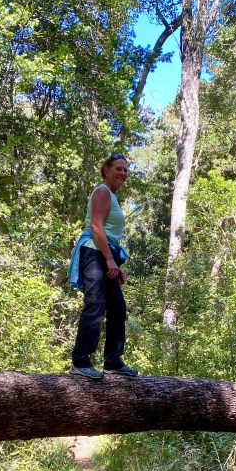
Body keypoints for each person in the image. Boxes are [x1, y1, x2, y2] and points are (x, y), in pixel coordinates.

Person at [67, 153, 139, 380]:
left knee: (117, 307)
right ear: (106, 170)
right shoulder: (102, 191)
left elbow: (108, 235)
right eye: (118, 168)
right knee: (95, 304)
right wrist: (109, 260)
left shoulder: (113, 196)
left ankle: (113, 362)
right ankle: (80, 362)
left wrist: (115, 263)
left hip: (104, 253)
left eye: (126, 170)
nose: (123, 173)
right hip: (94, 252)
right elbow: (97, 227)